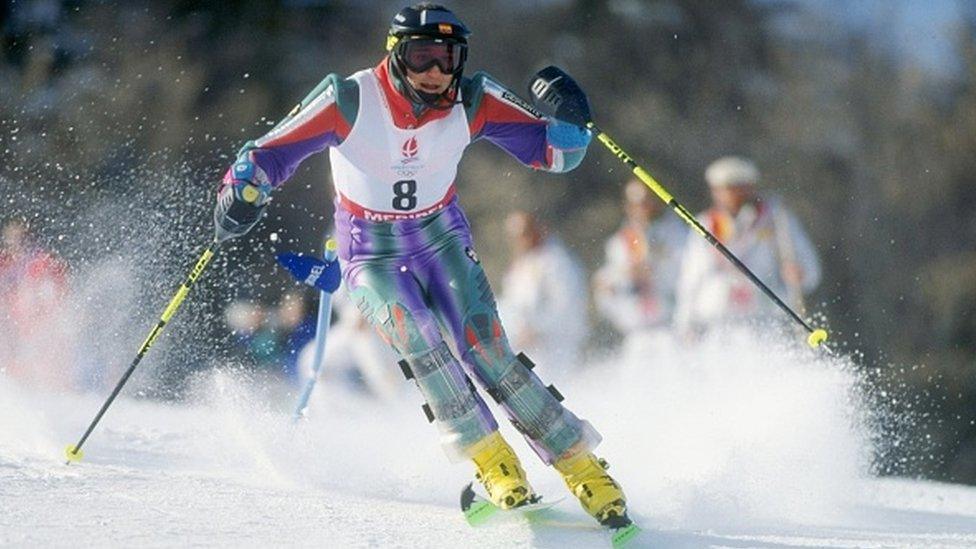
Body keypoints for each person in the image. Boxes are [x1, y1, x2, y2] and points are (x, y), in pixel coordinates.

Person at [210, 3, 631, 528]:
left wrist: (572, 118)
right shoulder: (349, 98)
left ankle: (584, 468)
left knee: (488, 351)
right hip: (370, 248)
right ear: (396, 54)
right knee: (419, 341)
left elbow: (555, 154)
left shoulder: (471, 98)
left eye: (448, 57)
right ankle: (494, 465)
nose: (435, 71)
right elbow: (270, 153)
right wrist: (241, 190)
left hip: (439, 236)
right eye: (421, 56)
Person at [673, 156, 821, 337]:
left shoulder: (776, 219)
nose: (728, 195)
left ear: (749, 187)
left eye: (734, 188)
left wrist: (800, 273)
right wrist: (685, 323)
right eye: (721, 189)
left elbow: (810, 269)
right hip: (717, 323)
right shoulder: (706, 223)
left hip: (765, 321)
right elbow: (691, 277)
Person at [593, 178, 687, 349]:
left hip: (670, 329)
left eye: (646, 202)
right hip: (636, 334)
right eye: (635, 203)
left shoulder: (678, 235)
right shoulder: (619, 242)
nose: (641, 208)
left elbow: (687, 277)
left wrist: (654, 271)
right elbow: (606, 288)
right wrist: (624, 277)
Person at [497, 210, 588, 376]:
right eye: (514, 236)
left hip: (556, 347)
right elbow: (511, 305)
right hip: (527, 348)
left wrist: (537, 329)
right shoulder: (519, 266)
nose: (520, 241)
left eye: (524, 234)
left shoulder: (557, 261)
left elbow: (566, 304)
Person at [0, 219, 72, 388]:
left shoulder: (40, 259)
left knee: (33, 354)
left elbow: (58, 283)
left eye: (17, 237)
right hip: (10, 319)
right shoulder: (4, 259)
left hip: (34, 318)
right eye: (9, 237)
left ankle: (39, 384)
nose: (13, 241)